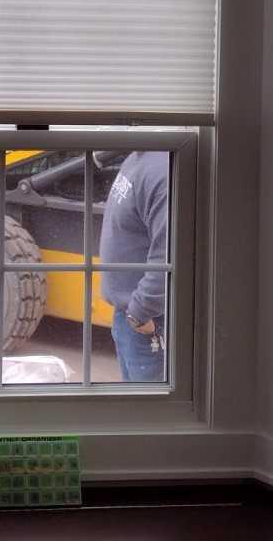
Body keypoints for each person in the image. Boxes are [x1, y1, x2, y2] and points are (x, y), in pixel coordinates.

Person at [99, 151, 168, 381]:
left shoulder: (163, 172)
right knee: (134, 407)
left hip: (147, 320)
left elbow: (167, 254)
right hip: (130, 316)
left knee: (149, 414)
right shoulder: (138, 157)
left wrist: (140, 312)